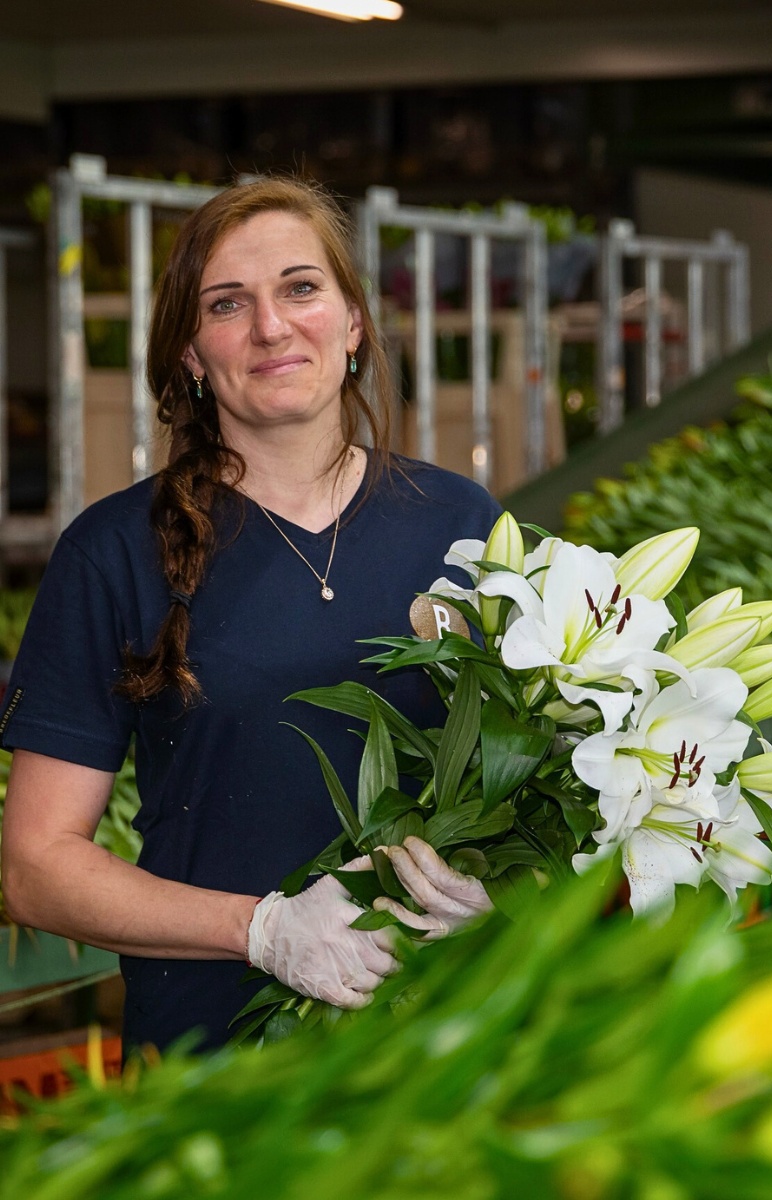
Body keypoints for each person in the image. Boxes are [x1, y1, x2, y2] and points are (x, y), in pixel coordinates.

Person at [0, 178, 497, 1053]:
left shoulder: (460, 524)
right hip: (217, 1056)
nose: (271, 326)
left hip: (446, 1041)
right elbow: (36, 869)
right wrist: (262, 931)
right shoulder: (114, 552)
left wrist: (507, 881)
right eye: (228, 304)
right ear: (192, 354)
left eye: (301, 288)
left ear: (353, 325)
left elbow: (535, 770)